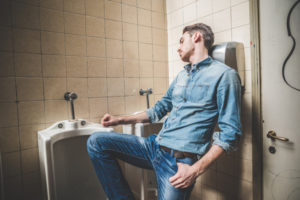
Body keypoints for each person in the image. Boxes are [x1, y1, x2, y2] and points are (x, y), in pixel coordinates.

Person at [87, 23, 242, 200]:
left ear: (197, 37)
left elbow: (230, 133)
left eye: (182, 41)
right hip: (153, 147)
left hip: (179, 162)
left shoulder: (225, 75)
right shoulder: (182, 75)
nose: (178, 48)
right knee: (96, 142)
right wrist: (119, 120)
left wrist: (195, 170)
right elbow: (158, 109)